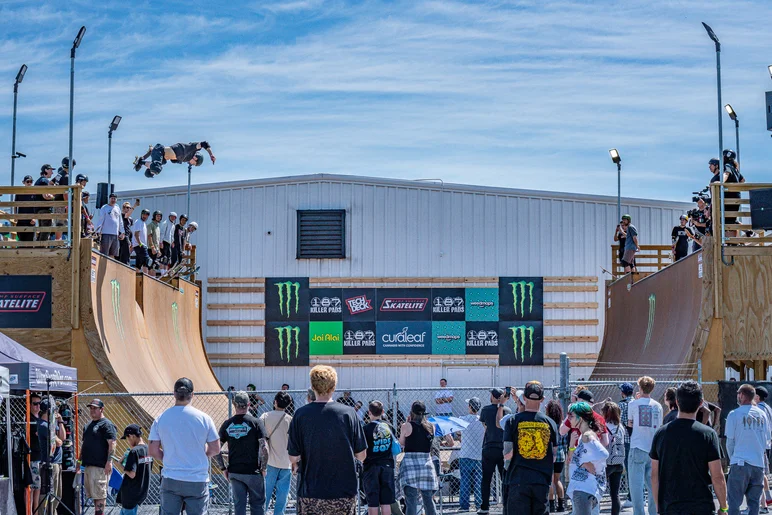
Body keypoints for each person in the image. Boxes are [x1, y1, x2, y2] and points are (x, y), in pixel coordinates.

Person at [288, 365, 367, 515]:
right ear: (334, 386)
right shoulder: (349, 413)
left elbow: (293, 456)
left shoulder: (300, 415)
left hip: (311, 492)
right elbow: (361, 455)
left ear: (312, 386)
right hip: (344, 492)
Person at [650, 380, 727, 515]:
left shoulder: (661, 434)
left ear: (677, 402)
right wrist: (723, 507)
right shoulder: (708, 434)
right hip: (701, 507)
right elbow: (717, 476)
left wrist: (658, 507)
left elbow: (654, 475)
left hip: (670, 507)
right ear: (701, 403)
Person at [148, 378, 220, 515]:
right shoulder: (204, 418)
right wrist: (201, 453)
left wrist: (169, 457)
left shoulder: (161, 418)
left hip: (171, 477)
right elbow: (215, 449)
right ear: (192, 394)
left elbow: (152, 450)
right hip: (197, 478)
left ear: (174, 394)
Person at [503, 381, 558, 515]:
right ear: (542, 399)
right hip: (541, 481)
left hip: (518, 479)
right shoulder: (550, 423)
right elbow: (554, 456)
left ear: (524, 398)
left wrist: (507, 468)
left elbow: (508, 453)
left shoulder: (512, 421)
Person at [219, 391, 267, 515]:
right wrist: (263, 467)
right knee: (257, 505)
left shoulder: (227, 424)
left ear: (234, 404)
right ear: (249, 404)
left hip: (235, 471)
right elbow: (264, 448)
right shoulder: (256, 423)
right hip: (253, 472)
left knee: (239, 506)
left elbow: (216, 448)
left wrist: (223, 468)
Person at [726, 383, 769, 515]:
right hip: (758, 464)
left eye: (738, 394)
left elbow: (730, 442)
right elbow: (767, 442)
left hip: (739, 462)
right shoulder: (762, 415)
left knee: (734, 502)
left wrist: (733, 459)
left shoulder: (734, 414)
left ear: (742, 395)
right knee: (754, 504)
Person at [565, 402, 609, 515]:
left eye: (572, 416)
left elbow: (604, 453)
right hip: (583, 488)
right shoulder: (583, 435)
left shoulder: (587, 436)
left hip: (584, 488)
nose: (569, 419)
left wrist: (586, 464)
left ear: (582, 418)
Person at [627, 376, 663, 515]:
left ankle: (639, 513)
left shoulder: (633, 404)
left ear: (640, 388)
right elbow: (659, 426)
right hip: (653, 448)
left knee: (636, 486)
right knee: (653, 484)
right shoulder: (658, 406)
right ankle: (654, 512)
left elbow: (630, 423)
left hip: (637, 446)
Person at [398, 401, 438, 515]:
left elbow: (401, 443)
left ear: (412, 412)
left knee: (411, 500)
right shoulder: (431, 426)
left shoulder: (406, 426)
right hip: (426, 464)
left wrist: (406, 423)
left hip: (410, 465)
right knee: (428, 499)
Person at [79, 399, 118, 515]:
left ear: (102, 409)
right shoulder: (88, 426)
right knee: (94, 495)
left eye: (95, 408)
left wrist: (109, 462)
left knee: (100, 495)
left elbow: (112, 443)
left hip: (100, 467)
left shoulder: (106, 424)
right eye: (91, 408)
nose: (92, 411)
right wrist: (78, 462)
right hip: (88, 466)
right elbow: (84, 445)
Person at [478, 388, 512, 514]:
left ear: (493, 396)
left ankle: (485, 507)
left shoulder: (485, 410)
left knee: (486, 479)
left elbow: (485, 426)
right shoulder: (507, 410)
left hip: (489, 446)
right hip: (503, 447)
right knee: (505, 478)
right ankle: (507, 505)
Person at [260, 391, 293, 515]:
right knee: (282, 497)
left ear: (275, 402)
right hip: (286, 463)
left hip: (269, 462)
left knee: (265, 495)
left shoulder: (265, 416)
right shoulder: (290, 420)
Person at [363, 400, 396, 515]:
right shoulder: (389, 426)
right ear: (382, 411)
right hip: (387, 465)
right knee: (386, 502)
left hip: (371, 466)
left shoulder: (365, 429)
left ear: (369, 412)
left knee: (372, 502)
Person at [37, 398, 66, 515]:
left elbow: (63, 437)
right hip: (50, 464)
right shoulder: (43, 426)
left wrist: (60, 421)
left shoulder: (52, 425)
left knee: (57, 495)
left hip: (57, 463)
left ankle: (53, 513)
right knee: (48, 495)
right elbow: (59, 442)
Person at [456, 397, 484, 513]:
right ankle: (479, 504)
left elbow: (458, 434)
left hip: (465, 454)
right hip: (479, 455)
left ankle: (464, 505)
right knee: (479, 482)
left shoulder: (462, 419)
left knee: (465, 481)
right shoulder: (482, 421)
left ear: (470, 407)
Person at [117, 424, 153, 515]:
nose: (128, 441)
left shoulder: (134, 451)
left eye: (128, 438)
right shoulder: (149, 449)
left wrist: (121, 464)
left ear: (133, 436)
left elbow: (132, 474)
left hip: (130, 493)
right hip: (141, 490)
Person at [134, 141, 216, 177]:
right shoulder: (191, 149)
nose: (191, 164)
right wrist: (211, 154)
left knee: (150, 174)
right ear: (196, 157)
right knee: (156, 169)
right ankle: (141, 161)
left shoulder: (185, 159)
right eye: (194, 163)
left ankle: (143, 160)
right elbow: (205, 143)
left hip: (162, 157)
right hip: (159, 150)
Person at [711, 149, 743, 238]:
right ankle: (733, 243)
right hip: (736, 197)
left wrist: (721, 182)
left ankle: (730, 243)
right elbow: (742, 180)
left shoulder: (727, 166)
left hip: (729, 198)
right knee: (731, 221)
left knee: (726, 221)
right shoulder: (735, 169)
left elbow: (726, 174)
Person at [602, 402, 626, 515]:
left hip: (607, 462)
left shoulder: (604, 426)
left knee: (597, 489)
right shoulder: (620, 427)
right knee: (615, 494)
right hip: (619, 462)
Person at [546, 400, 567, 513]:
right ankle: (561, 504)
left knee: (549, 480)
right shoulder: (562, 425)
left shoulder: (547, 424)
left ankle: (551, 505)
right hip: (561, 456)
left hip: (549, 455)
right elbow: (564, 443)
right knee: (557, 480)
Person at [754, 387, 772, 508]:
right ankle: (767, 498)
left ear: (757, 397)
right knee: (762, 472)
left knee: (760, 472)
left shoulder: (759, 409)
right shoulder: (768, 407)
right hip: (767, 443)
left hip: (761, 444)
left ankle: (764, 501)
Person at [617, 382, 634, 509]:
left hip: (626, 440)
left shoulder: (621, 405)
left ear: (623, 392)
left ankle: (631, 497)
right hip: (638, 439)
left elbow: (619, 421)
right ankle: (638, 496)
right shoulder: (637, 403)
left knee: (629, 469)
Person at [95, 193, 125, 258]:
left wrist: (122, 232)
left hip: (115, 234)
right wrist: (98, 231)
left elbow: (120, 221)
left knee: (113, 253)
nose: (113, 200)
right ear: (109, 199)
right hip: (106, 233)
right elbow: (101, 219)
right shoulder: (104, 207)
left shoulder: (117, 208)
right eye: (112, 198)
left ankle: (110, 267)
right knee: (104, 253)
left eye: (114, 198)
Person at [51, 157, 72, 240]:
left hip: (57, 201)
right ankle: (58, 241)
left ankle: (58, 240)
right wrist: (67, 205)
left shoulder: (59, 174)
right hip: (61, 202)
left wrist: (53, 193)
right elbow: (65, 193)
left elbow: (50, 183)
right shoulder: (66, 176)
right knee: (60, 223)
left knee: (59, 222)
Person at [34, 165, 55, 242]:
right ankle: (41, 249)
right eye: (51, 170)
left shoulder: (39, 181)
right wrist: (54, 197)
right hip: (44, 209)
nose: (52, 172)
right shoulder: (44, 181)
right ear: (46, 170)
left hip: (39, 209)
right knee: (46, 230)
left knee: (43, 230)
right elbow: (46, 196)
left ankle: (38, 248)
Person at [13, 175, 37, 242]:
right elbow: (15, 205)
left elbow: (37, 206)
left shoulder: (34, 193)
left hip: (31, 222)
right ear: (23, 182)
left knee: (30, 242)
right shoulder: (19, 193)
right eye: (28, 181)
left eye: (31, 182)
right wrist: (15, 216)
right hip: (21, 221)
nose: (29, 183)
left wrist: (35, 218)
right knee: (21, 241)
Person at [132, 209, 151, 274]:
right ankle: (146, 278)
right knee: (146, 261)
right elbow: (136, 234)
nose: (144, 216)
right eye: (144, 214)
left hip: (140, 245)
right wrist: (140, 244)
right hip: (140, 245)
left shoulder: (143, 223)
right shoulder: (138, 222)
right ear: (141, 214)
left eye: (146, 215)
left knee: (139, 263)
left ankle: (136, 277)